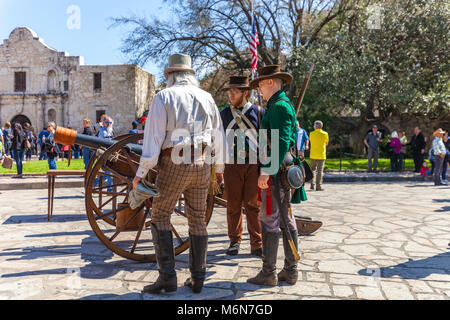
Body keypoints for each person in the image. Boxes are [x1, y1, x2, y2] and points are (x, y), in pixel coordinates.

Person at [131, 53, 224, 294]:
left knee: (160, 215)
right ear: (190, 74)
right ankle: (198, 277)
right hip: (203, 162)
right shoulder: (207, 97)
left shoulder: (164, 96)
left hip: (175, 161)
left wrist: (141, 173)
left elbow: (153, 138)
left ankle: (167, 277)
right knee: (197, 218)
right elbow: (219, 137)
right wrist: (220, 169)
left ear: (170, 75)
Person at [246, 64, 301, 286]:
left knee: (269, 218)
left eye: (260, 83)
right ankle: (290, 271)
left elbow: (279, 142)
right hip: (279, 165)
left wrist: (267, 172)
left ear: (270, 82)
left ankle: (269, 273)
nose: (258, 88)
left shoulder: (279, 106)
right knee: (286, 219)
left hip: (276, 168)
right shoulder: (280, 104)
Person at [219, 75, 263, 257]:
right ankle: (234, 241)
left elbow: (267, 141)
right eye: (229, 91)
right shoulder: (223, 115)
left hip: (253, 165)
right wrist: (218, 169)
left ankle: (257, 243)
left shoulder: (259, 113)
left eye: (235, 91)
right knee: (233, 206)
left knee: (253, 206)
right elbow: (218, 142)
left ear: (246, 93)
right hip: (231, 165)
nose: (231, 94)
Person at [309, 120, 329, 191]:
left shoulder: (311, 133)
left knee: (312, 170)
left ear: (316, 126)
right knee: (320, 171)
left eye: (314, 125)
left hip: (313, 154)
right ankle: (318, 186)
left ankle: (312, 184)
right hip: (321, 154)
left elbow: (310, 141)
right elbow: (326, 143)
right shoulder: (325, 134)